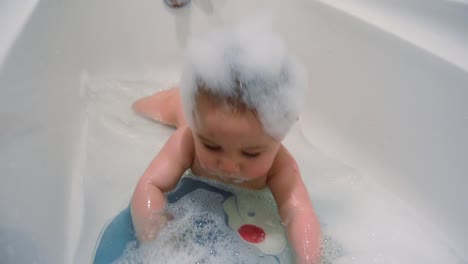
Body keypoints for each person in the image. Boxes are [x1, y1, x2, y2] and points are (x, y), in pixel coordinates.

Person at [130, 24, 322, 263]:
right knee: (142, 107)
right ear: (196, 122)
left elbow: (300, 213)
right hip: (180, 107)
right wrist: (159, 235)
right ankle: (177, 96)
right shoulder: (188, 139)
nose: (230, 165)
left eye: (251, 154)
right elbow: (150, 185)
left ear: (281, 134)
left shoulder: (281, 167)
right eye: (211, 146)